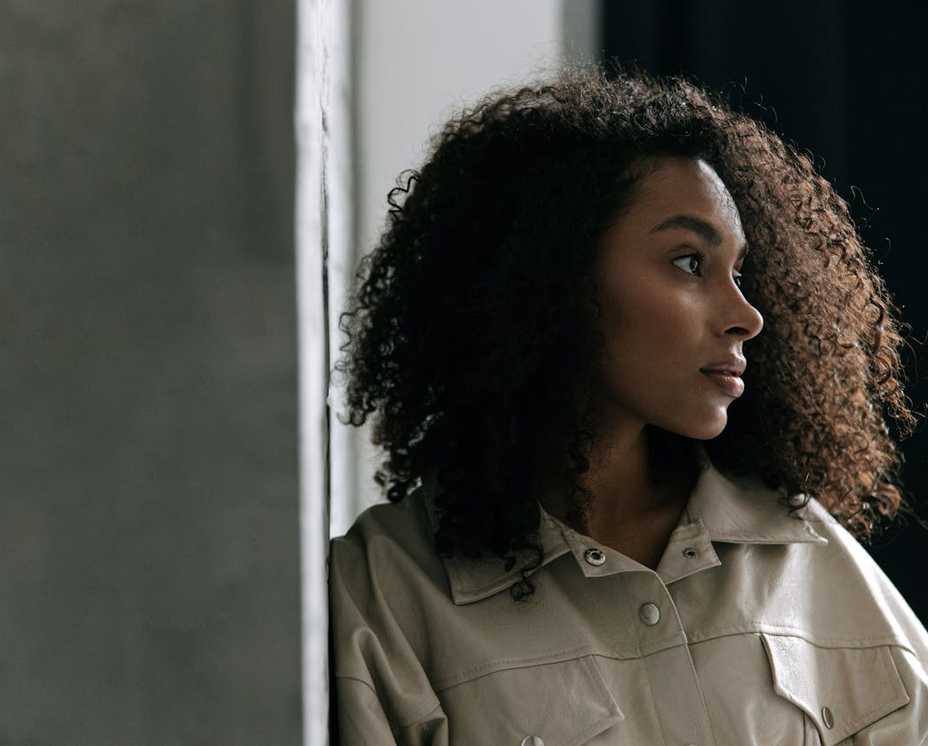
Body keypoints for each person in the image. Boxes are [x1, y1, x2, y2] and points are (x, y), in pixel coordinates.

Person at [327, 65, 928, 745]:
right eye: (688, 263)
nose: (746, 316)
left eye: (740, 273)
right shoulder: (386, 596)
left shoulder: (805, 554)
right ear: (549, 274)